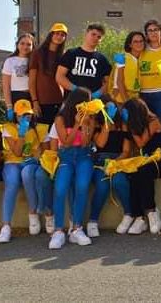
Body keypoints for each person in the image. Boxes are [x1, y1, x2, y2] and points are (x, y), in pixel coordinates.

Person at [49, 88, 96, 249]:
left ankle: (77, 228)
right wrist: (76, 124)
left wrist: (84, 125)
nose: (88, 104)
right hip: (66, 156)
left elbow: (85, 143)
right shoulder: (60, 119)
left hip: (83, 156)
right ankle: (58, 231)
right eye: (86, 101)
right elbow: (66, 141)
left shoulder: (90, 118)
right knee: (60, 189)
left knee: (81, 186)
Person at [0, 100, 51, 243]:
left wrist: (37, 158)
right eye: (22, 115)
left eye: (28, 115)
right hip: (13, 162)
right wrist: (21, 134)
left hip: (32, 163)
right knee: (13, 183)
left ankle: (33, 212)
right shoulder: (8, 128)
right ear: (15, 115)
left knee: (27, 173)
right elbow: (17, 152)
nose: (25, 118)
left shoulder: (40, 128)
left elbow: (47, 152)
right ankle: (6, 226)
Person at [87, 95, 134, 236]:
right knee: (103, 184)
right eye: (105, 108)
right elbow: (100, 144)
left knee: (119, 181)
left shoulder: (123, 126)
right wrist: (107, 122)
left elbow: (126, 151)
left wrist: (115, 163)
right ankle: (93, 221)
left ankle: (129, 214)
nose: (108, 110)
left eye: (110, 107)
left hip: (118, 160)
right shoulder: (96, 125)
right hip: (100, 162)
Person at [123, 97, 161, 236]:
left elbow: (141, 143)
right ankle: (139, 216)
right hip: (144, 160)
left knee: (143, 171)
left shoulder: (153, 121)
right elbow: (131, 149)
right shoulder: (135, 125)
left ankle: (152, 211)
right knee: (134, 173)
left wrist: (130, 127)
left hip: (158, 160)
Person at [56, 23, 112, 97]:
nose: (96, 38)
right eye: (93, 34)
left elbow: (109, 82)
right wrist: (75, 89)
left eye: (99, 37)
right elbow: (59, 76)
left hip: (93, 103)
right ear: (86, 34)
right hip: (71, 101)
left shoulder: (102, 60)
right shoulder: (71, 53)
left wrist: (98, 93)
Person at [29, 23, 67, 125]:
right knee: (43, 137)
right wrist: (35, 102)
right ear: (51, 34)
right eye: (57, 33)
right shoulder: (37, 53)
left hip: (59, 101)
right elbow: (32, 81)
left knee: (56, 137)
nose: (59, 37)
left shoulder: (64, 55)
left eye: (62, 35)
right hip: (42, 102)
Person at [2, 33, 35, 120]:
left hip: (32, 97)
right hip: (16, 97)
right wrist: (9, 106)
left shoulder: (34, 61)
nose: (25, 46)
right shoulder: (10, 61)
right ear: (17, 45)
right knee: (16, 129)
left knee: (30, 128)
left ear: (33, 46)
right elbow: (6, 85)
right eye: (22, 43)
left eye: (29, 44)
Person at [111, 31, 145, 103]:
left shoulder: (144, 58)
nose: (139, 44)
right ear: (130, 45)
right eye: (135, 42)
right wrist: (127, 103)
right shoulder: (123, 58)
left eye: (141, 41)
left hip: (136, 98)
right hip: (121, 99)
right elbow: (119, 83)